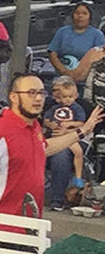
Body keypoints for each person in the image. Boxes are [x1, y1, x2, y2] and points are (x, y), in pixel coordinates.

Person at [0, 73, 103, 219]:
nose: (38, 98)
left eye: (41, 93)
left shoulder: (34, 126)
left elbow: (44, 148)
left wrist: (83, 131)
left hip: (28, 223)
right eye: (31, 93)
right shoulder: (0, 129)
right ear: (14, 97)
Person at [44, 75, 88, 212]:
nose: (66, 99)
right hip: (51, 138)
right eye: (57, 92)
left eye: (70, 96)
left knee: (62, 154)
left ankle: (59, 198)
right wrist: (50, 125)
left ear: (75, 95)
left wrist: (68, 129)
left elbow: (83, 125)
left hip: (71, 137)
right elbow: (45, 120)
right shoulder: (52, 106)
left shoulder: (79, 107)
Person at [48, 2, 105, 85]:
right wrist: (64, 71)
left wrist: (76, 74)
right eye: (77, 13)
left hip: (86, 78)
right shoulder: (62, 32)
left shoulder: (97, 35)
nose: (80, 16)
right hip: (62, 76)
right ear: (72, 15)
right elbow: (52, 53)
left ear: (90, 17)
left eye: (84, 13)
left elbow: (99, 57)